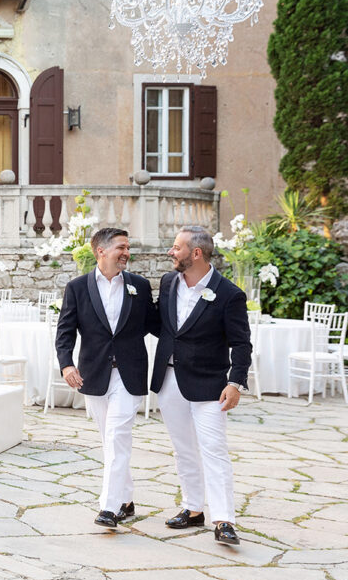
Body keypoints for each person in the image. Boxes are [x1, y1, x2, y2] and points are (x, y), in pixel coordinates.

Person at [151, 225, 252, 545]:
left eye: (176, 247)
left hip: (210, 384)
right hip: (169, 380)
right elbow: (161, 326)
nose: (171, 251)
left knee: (214, 450)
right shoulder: (168, 282)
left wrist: (236, 382)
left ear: (196, 253)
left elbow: (242, 344)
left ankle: (224, 520)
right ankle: (193, 508)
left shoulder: (229, 294)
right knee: (183, 449)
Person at [55, 227, 159, 528]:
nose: (127, 253)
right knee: (110, 440)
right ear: (101, 251)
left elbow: (156, 324)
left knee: (116, 437)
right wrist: (66, 365)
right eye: (121, 247)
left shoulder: (139, 285)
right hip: (94, 375)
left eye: (127, 247)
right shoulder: (77, 287)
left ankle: (109, 508)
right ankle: (126, 499)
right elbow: (65, 331)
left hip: (130, 373)